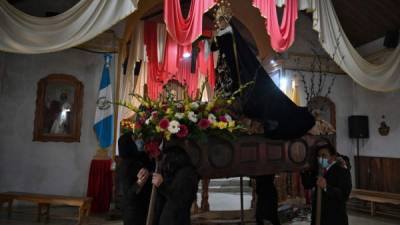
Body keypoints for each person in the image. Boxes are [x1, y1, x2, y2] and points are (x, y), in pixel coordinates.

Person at [301, 144, 352, 225]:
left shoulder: (342, 171)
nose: (320, 158)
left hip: (334, 218)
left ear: (332, 157)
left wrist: (326, 187)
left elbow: (343, 195)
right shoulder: (318, 170)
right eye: (319, 156)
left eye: (324, 155)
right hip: (318, 216)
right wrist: (304, 172)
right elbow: (308, 185)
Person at [152, 146, 199, 225]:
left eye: (167, 160)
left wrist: (161, 185)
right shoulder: (181, 172)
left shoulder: (187, 173)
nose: (166, 164)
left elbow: (179, 199)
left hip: (176, 219)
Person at [117, 132, 154, 225]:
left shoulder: (136, 159)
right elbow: (128, 194)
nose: (137, 143)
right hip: (134, 210)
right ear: (128, 145)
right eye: (134, 141)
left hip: (140, 206)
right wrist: (139, 182)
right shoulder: (126, 165)